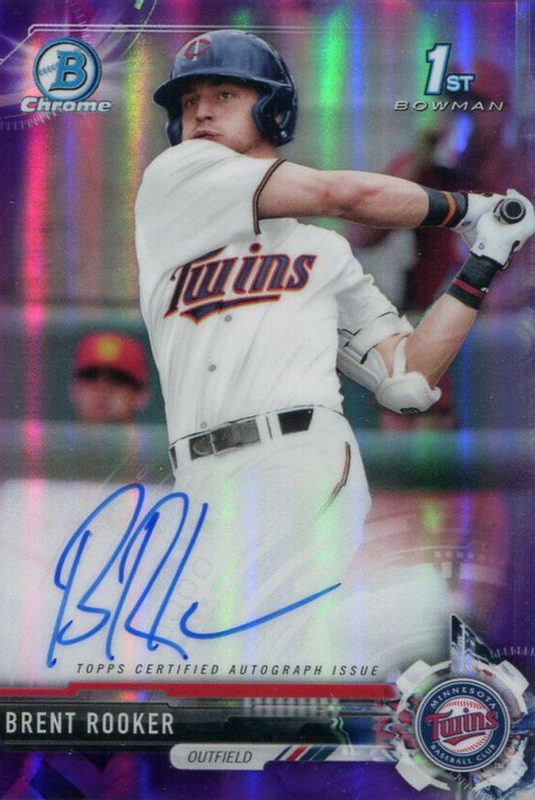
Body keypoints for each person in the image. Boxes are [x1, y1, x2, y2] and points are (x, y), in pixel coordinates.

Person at [134, 30, 534, 670]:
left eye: (224, 94)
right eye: (188, 102)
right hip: (199, 470)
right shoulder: (173, 181)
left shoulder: (322, 253)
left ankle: (425, 645)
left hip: (299, 458)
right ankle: (418, 633)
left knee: (241, 650)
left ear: (272, 109)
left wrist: (484, 260)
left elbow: (408, 376)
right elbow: (345, 197)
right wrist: (470, 209)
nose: (201, 112)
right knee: (229, 661)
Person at [347, 59, 526, 310]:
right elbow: (360, 237)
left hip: (502, 320)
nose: (466, 112)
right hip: (427, 315)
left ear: (504, 111)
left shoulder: (522, 172)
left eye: (477, 103)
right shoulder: (425, 167)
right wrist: (418, 164)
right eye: (455, 102)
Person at [70, 331, 149, 423]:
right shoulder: (55, 431)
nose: (102, 389)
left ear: (141, 395)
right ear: (73, 389)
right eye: (91, 377)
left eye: (117, 380)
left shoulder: (162, 432)